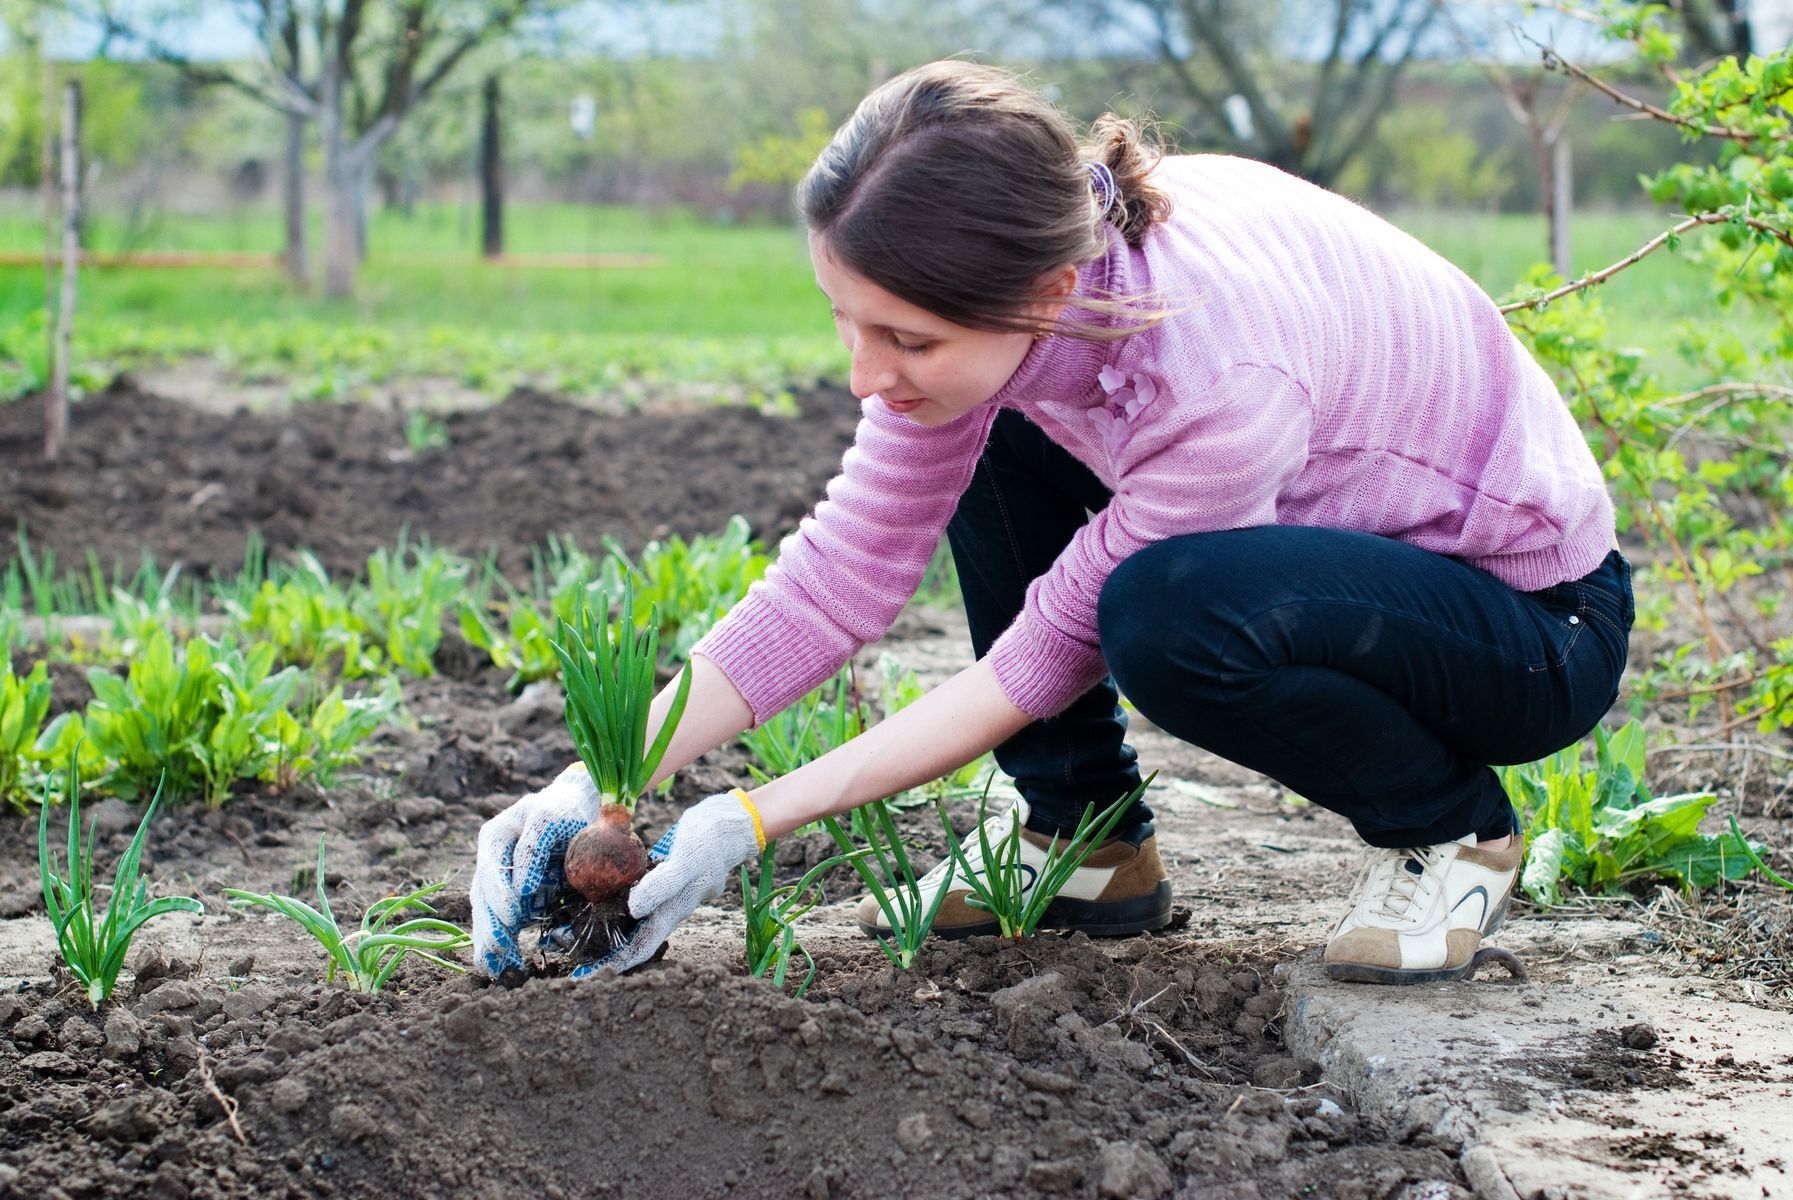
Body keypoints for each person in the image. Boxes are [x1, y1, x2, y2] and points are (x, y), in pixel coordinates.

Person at [470, 60, 1631, 987]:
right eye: (846, 321)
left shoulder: (1215, 378)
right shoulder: (1033, 274)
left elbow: (1040, 658)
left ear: (1044, 296)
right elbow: (839, 578)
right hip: (1339, 564)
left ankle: (1449, 829)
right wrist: (600, 779)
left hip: (1524, 626)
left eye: (905, 339)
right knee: (994, 421)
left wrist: (747, 819)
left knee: (1166, 617)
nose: (867, 374)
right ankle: (1087, 844)